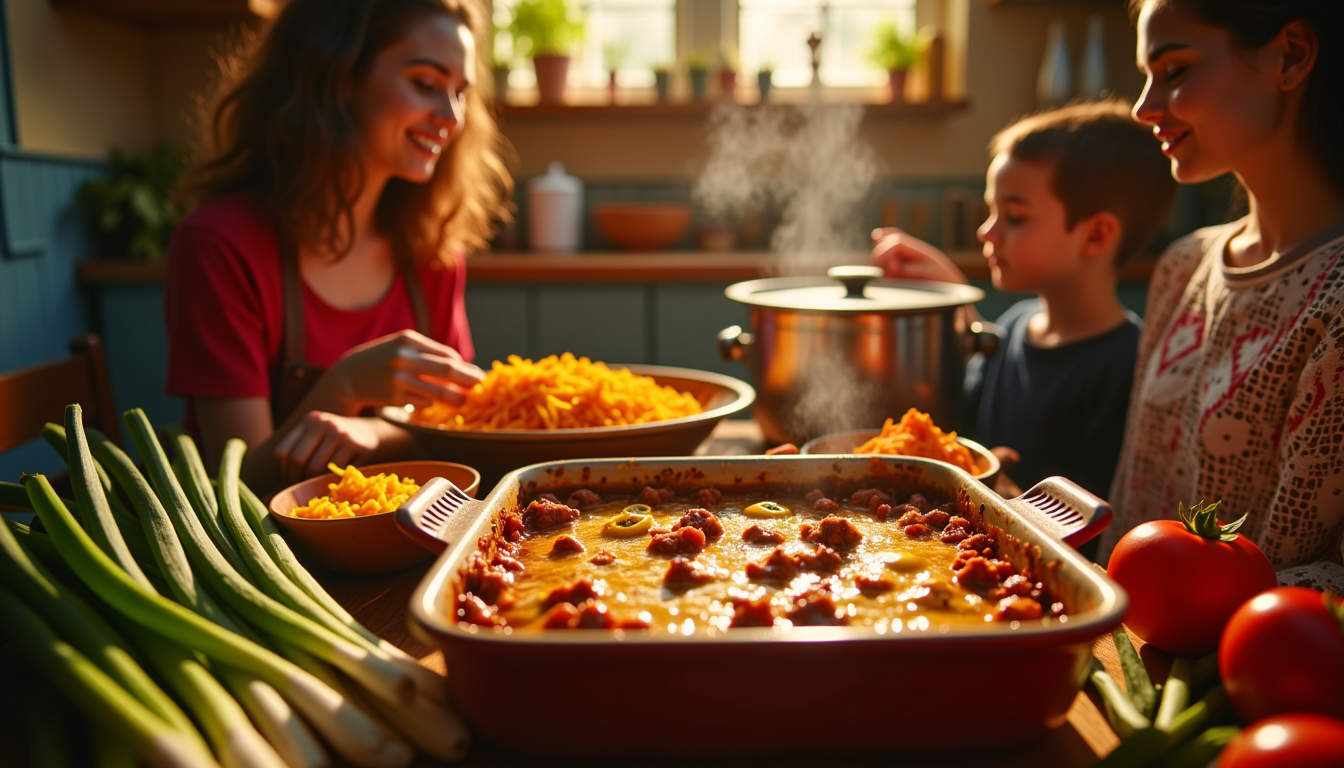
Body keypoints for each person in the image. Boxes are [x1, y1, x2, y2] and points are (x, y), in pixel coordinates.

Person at [164, 0, 514, 492]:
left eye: (460, 93)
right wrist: (344, 387)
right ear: (336, 74)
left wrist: (370, 431)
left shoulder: (432, 254)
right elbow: (235, 486)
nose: (450, 117)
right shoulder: (219, 245)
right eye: (425, 84)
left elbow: (452, 433)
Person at [1103, 0, 1344, 589]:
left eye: (1176, 71)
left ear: (1291, 55)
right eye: (1145, 77)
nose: (1143, 107)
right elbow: (1130, 499)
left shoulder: (1335, 302)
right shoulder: (1182, 266)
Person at [871, 100, 1177, 506]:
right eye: (991, 210)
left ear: (1096, 236)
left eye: (1013, 217)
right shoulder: (1015, 326)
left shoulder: (1127, 367)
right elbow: (961, 431)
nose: (986, 231)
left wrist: (1013, 501)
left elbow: (1100, 521)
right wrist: (951, 288)